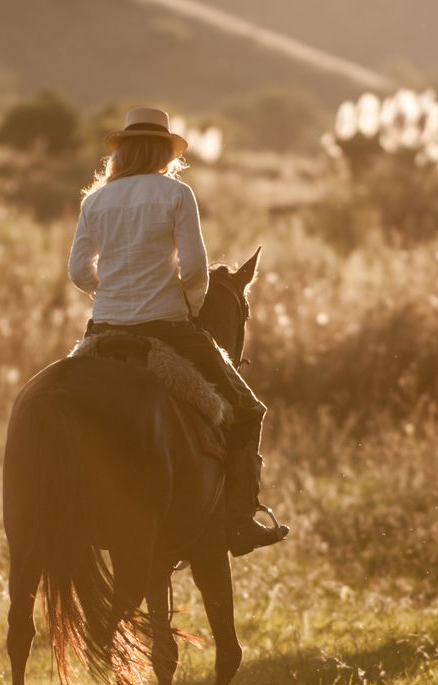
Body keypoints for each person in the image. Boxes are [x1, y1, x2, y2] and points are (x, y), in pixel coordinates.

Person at [67, 107, 288, 556]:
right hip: (166, 328)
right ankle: (240, 518)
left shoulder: (95, 201)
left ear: (122, 152)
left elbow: (77, 272)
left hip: (101, 330)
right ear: (166, 152)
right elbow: (193, 271)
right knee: (248, 410)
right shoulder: (176, 195)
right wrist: (184, 306)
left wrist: (110, 291)